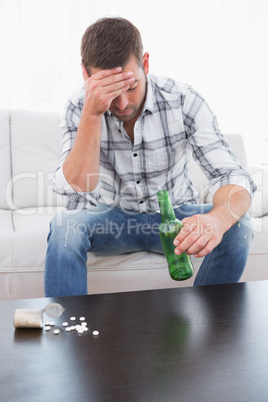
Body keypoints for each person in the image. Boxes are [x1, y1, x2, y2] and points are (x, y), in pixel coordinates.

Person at [44, 17, 256, 297]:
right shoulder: (78, 107)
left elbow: (230, 175)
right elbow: (78, 186)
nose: (121, 105)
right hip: (110, 218)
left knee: (237, 223)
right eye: (110, 91)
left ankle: (205, 329)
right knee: (63, 229)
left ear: (145, 64)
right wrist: (93, 114)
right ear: (86, 74)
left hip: (174, 218)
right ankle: (68, 335)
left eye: (130, 87)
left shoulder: (183, 101)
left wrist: (216, 221)